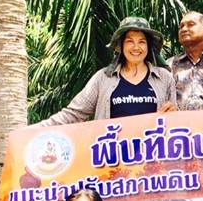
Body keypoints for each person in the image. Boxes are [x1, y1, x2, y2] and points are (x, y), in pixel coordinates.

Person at [39, 16, 177, 125]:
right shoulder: (103, 78)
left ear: (148, 47)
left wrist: (175, 113)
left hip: (152, 151)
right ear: (120, 46)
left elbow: (175, 121)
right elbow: (73, 114)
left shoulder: (164, 78)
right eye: (129, 41)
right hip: (112, 151)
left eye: (142, 42)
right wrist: (36, 129)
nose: (136, 47)